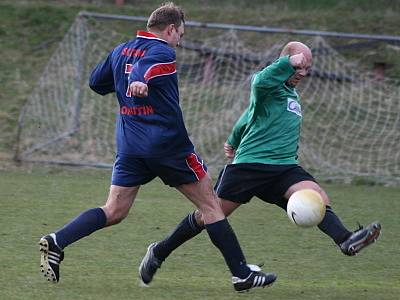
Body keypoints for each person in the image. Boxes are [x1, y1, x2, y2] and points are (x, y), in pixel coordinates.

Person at [38, 2, 276, 292]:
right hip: (167, 146)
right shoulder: (164, 50)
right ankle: (242, 274)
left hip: (130, 146)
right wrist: (138, 80)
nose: (180, 41)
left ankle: (57, 241)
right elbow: (147, 68)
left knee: (114, 210)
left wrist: (128, 79)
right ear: (170, 29)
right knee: (211, 206)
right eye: (181, 35)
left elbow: (95, 83)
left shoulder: (121, 49)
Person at [137, 41, 382, 285]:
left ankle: (345, 240)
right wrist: (287, 63)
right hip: (250, 167)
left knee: (315, 194)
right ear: (287, 63)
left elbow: (250, 114)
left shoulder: (290, 95)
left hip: (284, 168)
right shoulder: (269, 85)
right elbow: (259, 82)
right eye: (300, 67)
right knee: (209, 216)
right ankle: (159, 251)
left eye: (308, 69)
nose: (304, 74)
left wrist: (233, 138)